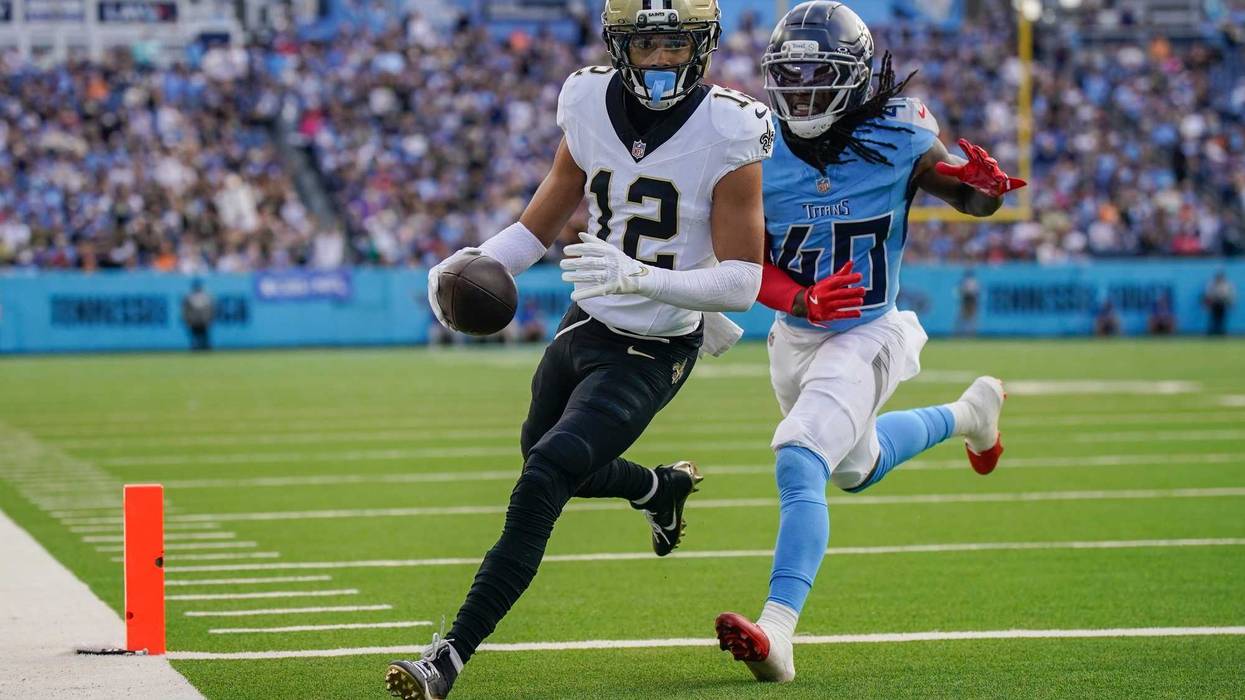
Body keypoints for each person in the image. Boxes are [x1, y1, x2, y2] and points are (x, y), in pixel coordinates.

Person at [385, 1, 773, 697]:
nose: (661, 58)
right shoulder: (586, 97)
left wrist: (642, 276)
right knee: (552, 461)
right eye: (647, 43)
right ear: (620, 46)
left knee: (544, 477)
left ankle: (448, 656)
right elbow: (544, 216)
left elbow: (743, 281)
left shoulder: (730, 127)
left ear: (702, 45)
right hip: (585, 320)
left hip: (657, 343)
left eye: (675, 43)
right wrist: (474, 261)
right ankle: (660, 487)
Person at [713, 2, 1024, 683]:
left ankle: (778, 630)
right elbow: (739, 265)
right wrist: (796, 298)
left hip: (867, 331)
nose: (799, 90)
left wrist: (984, 192)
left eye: (816, 74)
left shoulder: (899, 132)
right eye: (788, 75)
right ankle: (969, 415)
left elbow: (964, 196)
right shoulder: (753, 146)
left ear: (854, 78)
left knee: (799, 458)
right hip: (795, 336)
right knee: (853, 467)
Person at [180, 280, 215, 351]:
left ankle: (205, 348)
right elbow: (185, 310)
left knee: (204, 337)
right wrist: (187, 320)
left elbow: (211, 309)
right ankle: (196, 348)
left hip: (203, 321)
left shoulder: (206, 296)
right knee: (195, 337)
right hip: (194, 321)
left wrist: (210, 319)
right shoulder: (189, 297)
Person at [1203, 271, 1236, 336]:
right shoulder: (1212, 284)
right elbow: (1208, 294)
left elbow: (1231, 294)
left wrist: (1231, 303)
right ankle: (1211, 332)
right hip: (1214, 304)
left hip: (1222, 303)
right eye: (1218, 277)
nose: (1219, 279)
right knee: (1213, 319)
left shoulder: (1227, 284)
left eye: (1220, 277)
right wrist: (1207, 303)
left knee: (1222, 319)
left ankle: (1222, 332)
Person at [956, 269, 980, 336]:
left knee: (967, 318)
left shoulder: (967, 282)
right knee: (966, 318)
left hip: (969, 301)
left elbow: (960, 291)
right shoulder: (973, 282)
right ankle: (967, 333)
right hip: (968, 301)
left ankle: (966, 333)